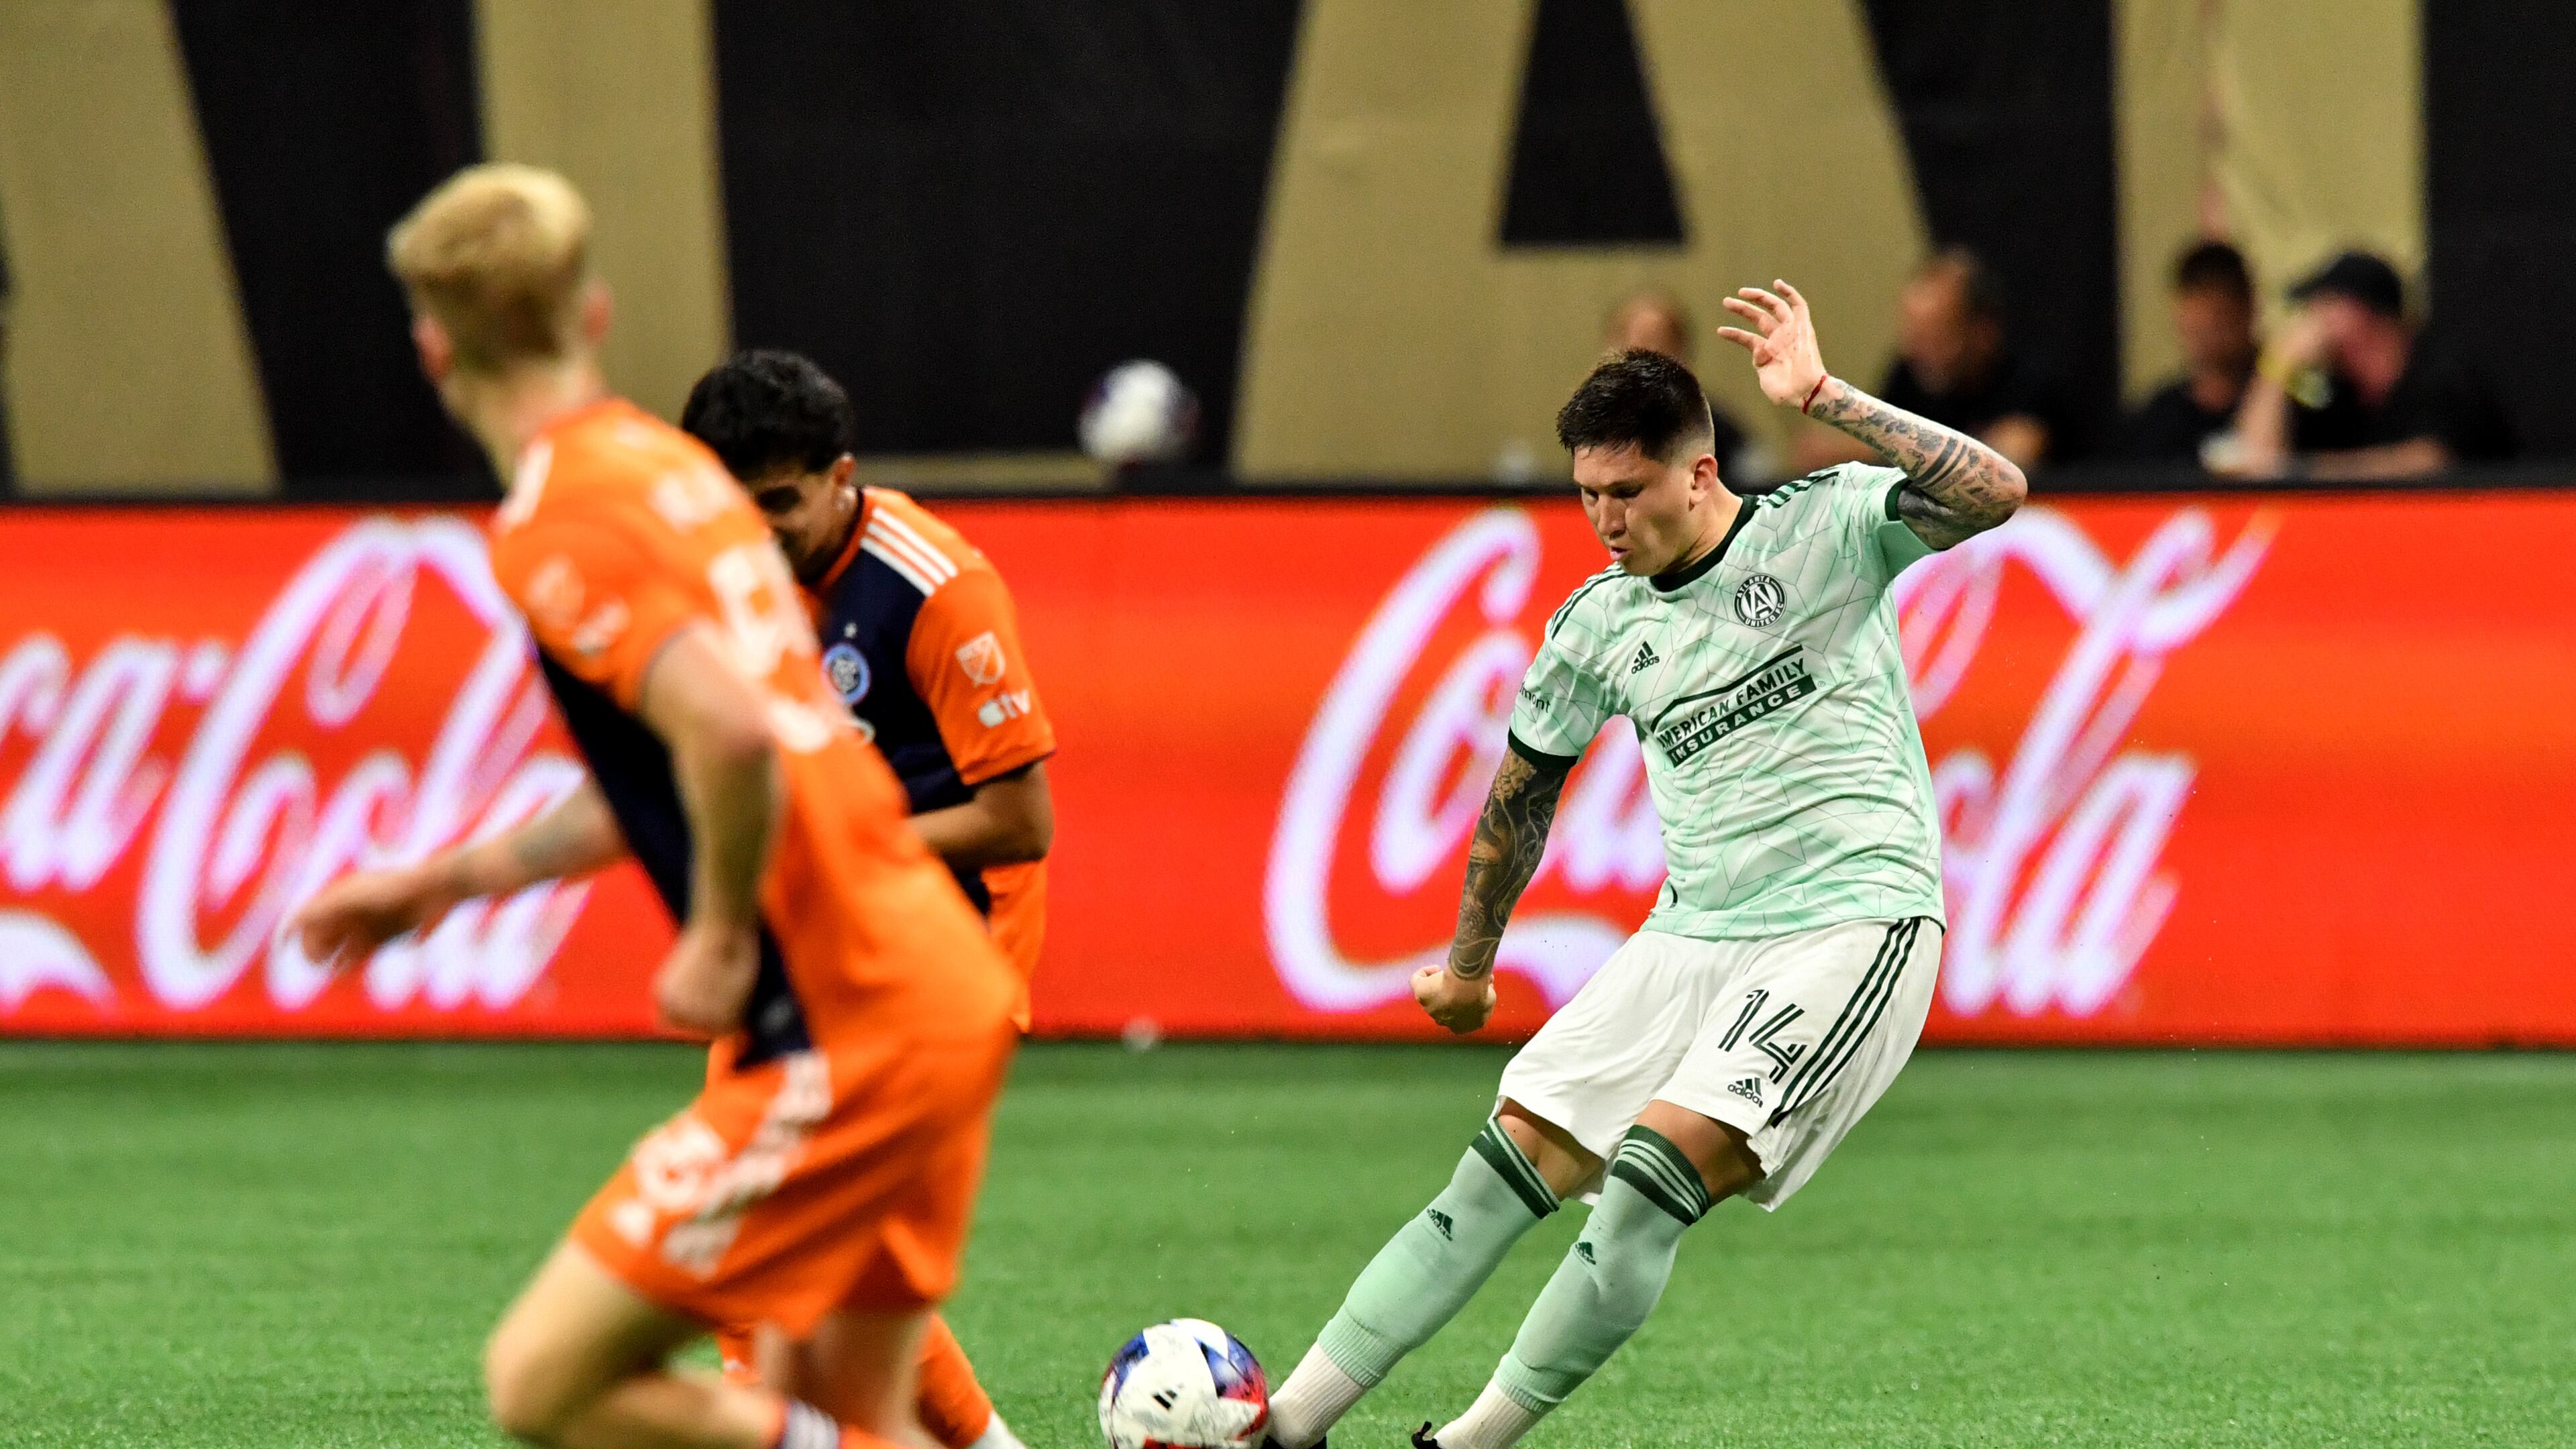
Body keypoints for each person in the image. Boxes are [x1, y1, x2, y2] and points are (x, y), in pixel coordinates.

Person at [290, 163, 1019, 1449]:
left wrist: (719, 930)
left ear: (431, 346)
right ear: (595, 314)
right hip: (927, 985)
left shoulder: (558, 519)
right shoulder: (668, 472)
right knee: (850, 1408)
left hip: (843, 1015)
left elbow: (729, 735)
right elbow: (702, 753)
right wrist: (446, 882)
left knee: (541, 1381)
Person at [1259, 281, 2023, 1449]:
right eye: (1586, 497)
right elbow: (1520, 796)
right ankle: (1287, 1428)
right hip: (1692, 934)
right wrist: (1469, 969)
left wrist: (1822, 396)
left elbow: (1994, 492)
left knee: (1644, 1185)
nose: (1606, 521)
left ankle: (1466, 1445)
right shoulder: (1597, 626)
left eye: (1627, 492)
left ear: (1700, 473)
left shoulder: (1822, 528)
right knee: (1494, 1175)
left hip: (1851, 924)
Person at [682, 348, 1055, 1449]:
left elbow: (1021, 822)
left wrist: (843, 841)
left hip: (946, 939)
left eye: (780, 503)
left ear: (842, 475)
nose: (756, 530)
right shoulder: (726, 575)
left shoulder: (936, 587)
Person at [2222, 249, 2515, 479]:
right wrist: (2276, 367)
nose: (2310, 320)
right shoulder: (2330, 390)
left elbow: (2429, 461)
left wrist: (2310, 473)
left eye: (2324, 306)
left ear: (2358, 312)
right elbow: (2256, 460)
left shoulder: (2441, 371)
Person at [1793, 247, 2056, 472]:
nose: (1913, 352)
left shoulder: (2027, 387)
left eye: (1937, 338)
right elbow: (1871, 440)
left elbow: (2009, 460)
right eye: (1913, 336)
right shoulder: (1907, 377)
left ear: (1982, 333)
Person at [2123, 241, 2259, 464]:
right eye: (2198, 327)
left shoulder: (2294, 403)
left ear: (2248, 309)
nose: (2209, 332)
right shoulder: (2158, 419)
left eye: (2222, 321)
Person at [1601, 290, 1753, 481]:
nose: (1643, 354)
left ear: (1681, 352)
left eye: (1654, 340)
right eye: (1631, 342)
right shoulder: (1596, 428)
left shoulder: (1719, 431)